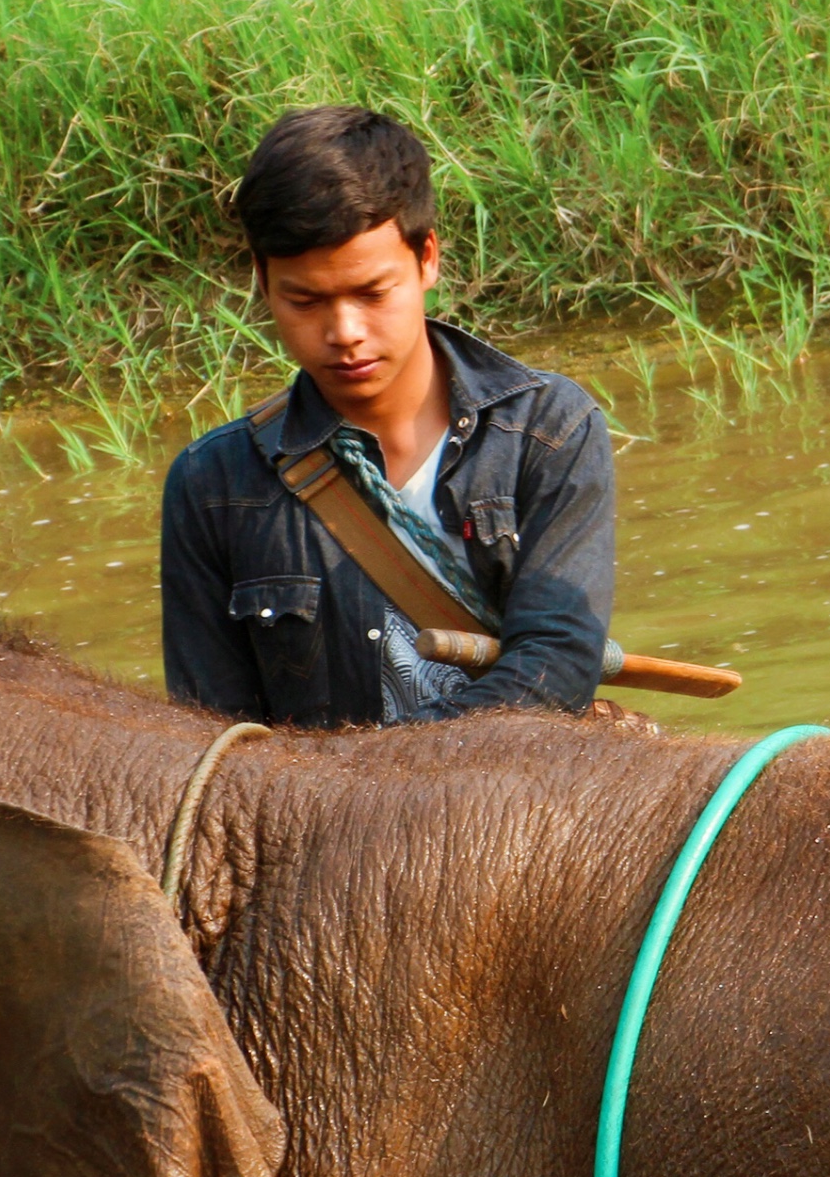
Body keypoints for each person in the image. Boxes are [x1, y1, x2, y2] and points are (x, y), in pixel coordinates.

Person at [161, 106, 614, 728]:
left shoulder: (548, 430)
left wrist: (373, 781)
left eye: (373, 294)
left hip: (515, 812)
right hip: (318, 822)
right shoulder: (212, 487)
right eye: (305, 300)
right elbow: (211, 735)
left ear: (427, 258)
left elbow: (554, 669)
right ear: (263, 283)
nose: (344, 333)